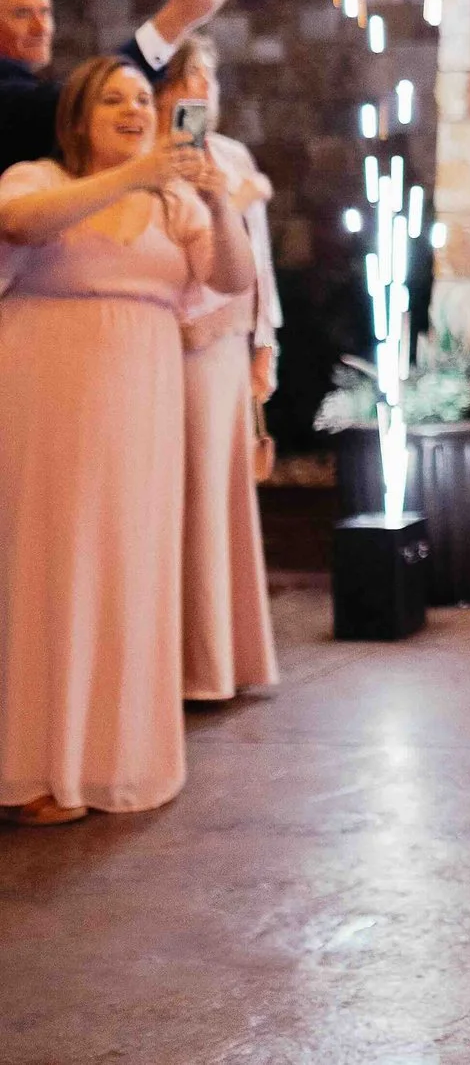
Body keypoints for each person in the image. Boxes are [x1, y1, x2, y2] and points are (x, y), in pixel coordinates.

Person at [0, 56, 252, 824]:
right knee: (47, 565)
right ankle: (35, 769)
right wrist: (134, 174)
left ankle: (115, 759)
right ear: (78, 119)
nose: (135, 109)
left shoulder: (175, 200)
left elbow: (233, 278)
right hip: (46, 393)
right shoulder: (36, 178)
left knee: (128, 564)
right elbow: (19, 224)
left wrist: (218, 200)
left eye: (143, 98)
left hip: (143, 396)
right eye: (114, 99)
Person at [157, 38, 281, 703]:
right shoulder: (147, 160)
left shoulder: (233, 158)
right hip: (165, 340)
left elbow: (259, 264)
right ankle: (173, 662)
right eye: (189, 80)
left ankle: (218, 660)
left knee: (217, 496)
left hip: (224, 345)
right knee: (171, 496)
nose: (201, 93)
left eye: (209, 80)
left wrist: (266, 343)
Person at [0, 0, 231, 175]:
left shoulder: (226, 153)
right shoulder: (13, 97)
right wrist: (176, 19)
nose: (41, 28)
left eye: (45, 12)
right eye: (22, 14)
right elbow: (67, 106)